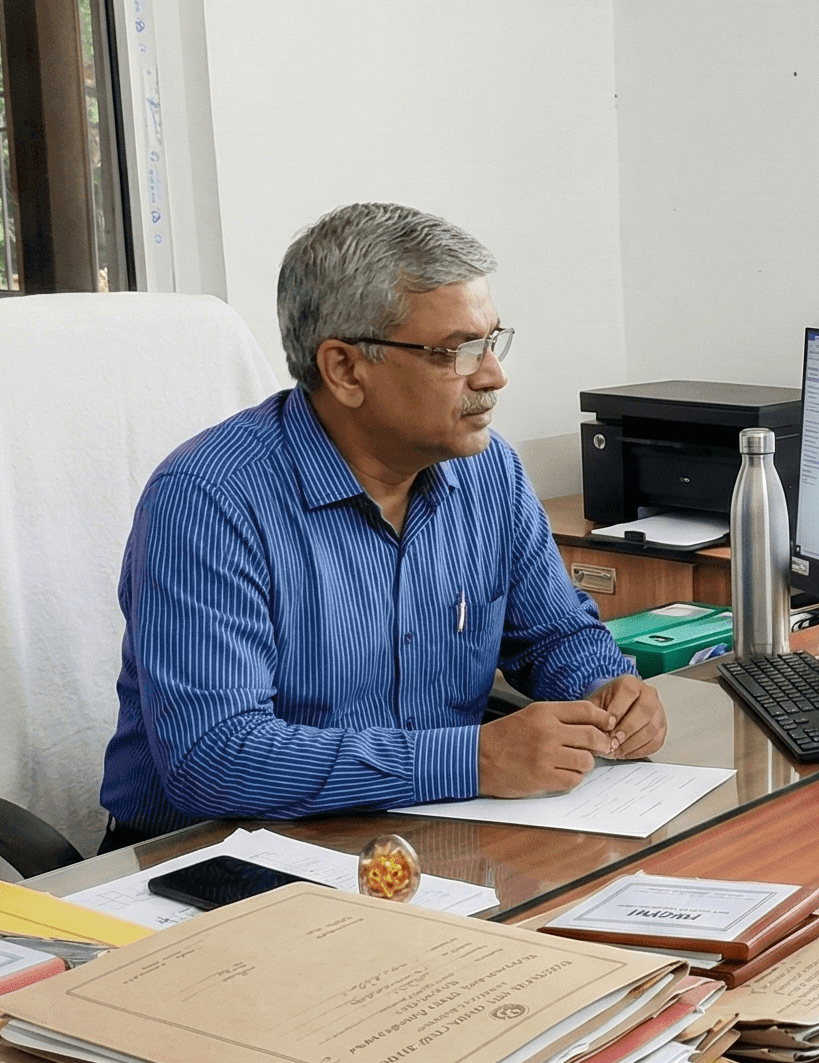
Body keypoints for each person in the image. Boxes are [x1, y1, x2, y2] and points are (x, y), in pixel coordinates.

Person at [101, 203, 663, 842]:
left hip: (427, 836)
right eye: (457, 351)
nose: (494, 375)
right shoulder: (210, 502)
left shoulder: (488, 473)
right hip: (220, 858)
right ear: (344, 369)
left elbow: (555, 635)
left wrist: (610, 690)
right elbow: (214, 757)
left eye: (493, 340)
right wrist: (472, 759)